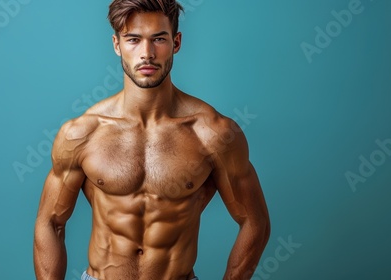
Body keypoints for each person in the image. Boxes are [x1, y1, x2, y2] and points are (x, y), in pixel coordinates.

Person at [33, 0, 270, 279]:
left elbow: (255, 222)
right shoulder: (83, 134)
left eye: (158, 39)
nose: (147, 53)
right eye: (133, 40)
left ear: (176, 43)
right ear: (116, 45)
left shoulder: (213, 134)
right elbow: (50, 222)